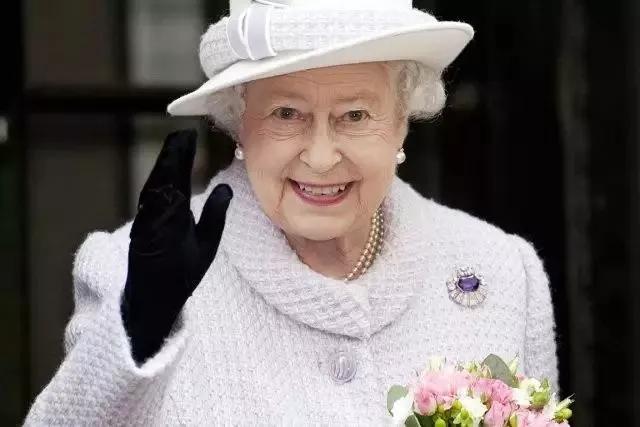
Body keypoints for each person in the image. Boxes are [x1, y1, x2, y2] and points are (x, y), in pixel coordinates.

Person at [24, 0, 559, 425]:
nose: (321, 157)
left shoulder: (501, 272)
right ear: (238, 121)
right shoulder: (129, 274)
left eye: (355, 115)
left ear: (402, 121)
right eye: (287, 113)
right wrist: (141, 326)